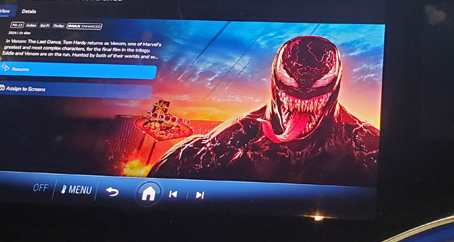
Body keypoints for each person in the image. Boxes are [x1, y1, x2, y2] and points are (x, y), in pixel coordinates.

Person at [150, 36, 380, 186]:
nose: (302, 95)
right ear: (277, 81)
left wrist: (351, 165)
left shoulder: (367, 145)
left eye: (314, 89)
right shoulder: (227, 143)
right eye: (292, 86)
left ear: (334, 85)